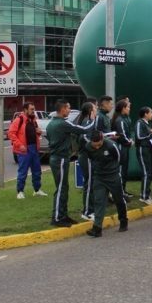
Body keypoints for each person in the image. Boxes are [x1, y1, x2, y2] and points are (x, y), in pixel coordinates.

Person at [45, 99, 96, 227]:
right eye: (68, 108)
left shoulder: (52, 123)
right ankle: (56, 217)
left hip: (58, 158)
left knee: (64, 188)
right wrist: (93, 119)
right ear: (62, 109)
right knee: (61, 188)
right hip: (60, 159)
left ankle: (63, 215)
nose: (69, 110)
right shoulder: (62, 124)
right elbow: (84, 129)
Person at [84, 131, 128, 237]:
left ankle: (123, 220)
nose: (97, 148)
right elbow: (91, 158)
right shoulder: (88, 147)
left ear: (102, 140)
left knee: (119, 199)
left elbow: (119, 158)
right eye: (95, 146)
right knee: (99, 201)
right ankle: (97, 228)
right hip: (99, 177)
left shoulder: (111, 145)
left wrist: (114, 169)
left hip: (113, 176)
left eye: (99, 145)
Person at [8, 101, 47, 199]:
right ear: (25, 110)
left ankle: (37, 190)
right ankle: (20, 191)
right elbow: (11, 133)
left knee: (37, 170)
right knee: (23, 171)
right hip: (24, 150)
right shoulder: (19, 120)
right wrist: (19, 145)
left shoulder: (33, 120)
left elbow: (35, 133)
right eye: (32, 109)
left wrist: (39, 132)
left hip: (34, 148)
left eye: (34, 109)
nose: (33, 111)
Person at [73, 102, 97, 221]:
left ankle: (90, 209)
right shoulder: (88, 122)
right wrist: (95, 145)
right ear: (90, 111)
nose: (96, 109)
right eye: (95, 108)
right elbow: (85, 138)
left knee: (91, 182)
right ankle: (87, 211)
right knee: (89, 183)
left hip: (87, 155)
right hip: (86, 155)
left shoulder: (87, 121)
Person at [135, 106, 152, 206]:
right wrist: (150, 133)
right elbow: (139, 136)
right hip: (142, 149)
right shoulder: (139, 123)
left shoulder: (146, 123)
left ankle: (146, 194)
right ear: (145, 114)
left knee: (149, 172)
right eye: (150, 112)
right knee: (146, 172)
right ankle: (144, 196)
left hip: (148, 150)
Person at [112, 100, 134, 199]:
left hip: (125, 147)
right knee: (121, 170)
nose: (129, 109)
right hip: (121, 147)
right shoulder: (119, 120)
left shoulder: (125, 118)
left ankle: (123, 191)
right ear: (123, 108)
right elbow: (122, 135)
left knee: (124, 170)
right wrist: (129, 142)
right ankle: (119, 193)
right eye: (128, 107)